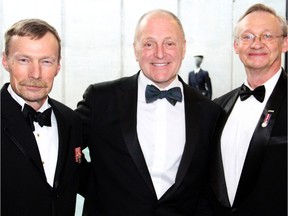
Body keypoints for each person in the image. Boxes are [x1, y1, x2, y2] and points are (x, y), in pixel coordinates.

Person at [76, 9, 221, 216]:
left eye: (169, 43)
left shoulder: (209, 112)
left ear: (183, 48)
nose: (160, 53)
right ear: (135, 50)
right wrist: (97, 187)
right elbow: (66, 150)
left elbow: (208, 186)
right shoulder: (100, 99)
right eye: (149, 44)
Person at [1, 19, 86, 216]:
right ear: (5, 60)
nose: (35, 73)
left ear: (58, 66)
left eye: (46, 61)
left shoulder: (71, 120)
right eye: (24, 60)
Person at [209, 3, 287, 216]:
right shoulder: (217, 107)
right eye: (247, 36)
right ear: (236, 46)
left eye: (268, 36)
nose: (257, 44)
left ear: (285, 43)